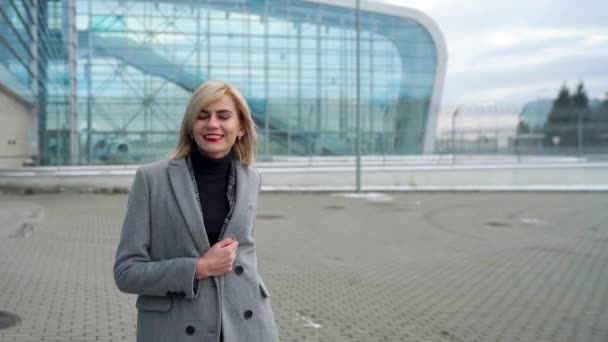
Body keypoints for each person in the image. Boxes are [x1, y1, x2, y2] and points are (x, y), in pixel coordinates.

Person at [113, 80, 279, 342]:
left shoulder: (251, 179)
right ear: (191, 126)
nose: (212, 124)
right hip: (176, 328)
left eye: (223, 116)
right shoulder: (151, 179)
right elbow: (126, 272)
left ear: (242, 128)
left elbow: (244, 254)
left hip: (246, 324)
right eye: (202, 116)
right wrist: (198, 268)